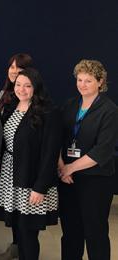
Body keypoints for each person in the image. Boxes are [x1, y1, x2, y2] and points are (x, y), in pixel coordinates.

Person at [0, 68, 61, 259]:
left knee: (28, 232)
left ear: (36, 88)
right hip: (11, 176)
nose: (21, 89)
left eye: (27, 86)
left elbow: (50, 153)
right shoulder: (10, 107)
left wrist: (40, 187)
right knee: (17, 227)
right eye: (18, 85)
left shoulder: (48, 112)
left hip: (32, 181)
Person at [58, 60, 118, 260]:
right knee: (70, 231)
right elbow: (57, 138)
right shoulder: (70, 105)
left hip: (96, 180)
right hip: (68, 180)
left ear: (100, 82)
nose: (82, 85)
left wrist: (69, 168)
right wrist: (62, 167)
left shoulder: (109, 110)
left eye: (88, 81)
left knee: (95, 231)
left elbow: (103, 150)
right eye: (79, 80)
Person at [0, 53, 33, 260]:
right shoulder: (4, 93)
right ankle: (17, 246)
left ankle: (24, 249)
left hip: (24, 163)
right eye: (11, 67)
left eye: (19, 70)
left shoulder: (32, 98)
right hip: (6, 160)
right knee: (13, 208)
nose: (14, 72)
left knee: (24, 211)